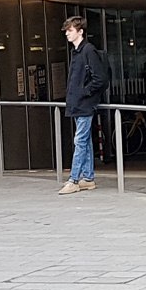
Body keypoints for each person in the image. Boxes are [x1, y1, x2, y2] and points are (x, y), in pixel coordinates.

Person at [59, 17, 110, 195]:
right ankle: (87, 178)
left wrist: (84, 93)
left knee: (80, 141)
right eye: (66, 30)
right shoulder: (79, 51)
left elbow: (101, 79)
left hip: (83, 104)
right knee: (84, 140)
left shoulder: (87, 50)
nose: (67, 33)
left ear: (80, 32)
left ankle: (74, 179)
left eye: (70, 30)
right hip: (79, 103)